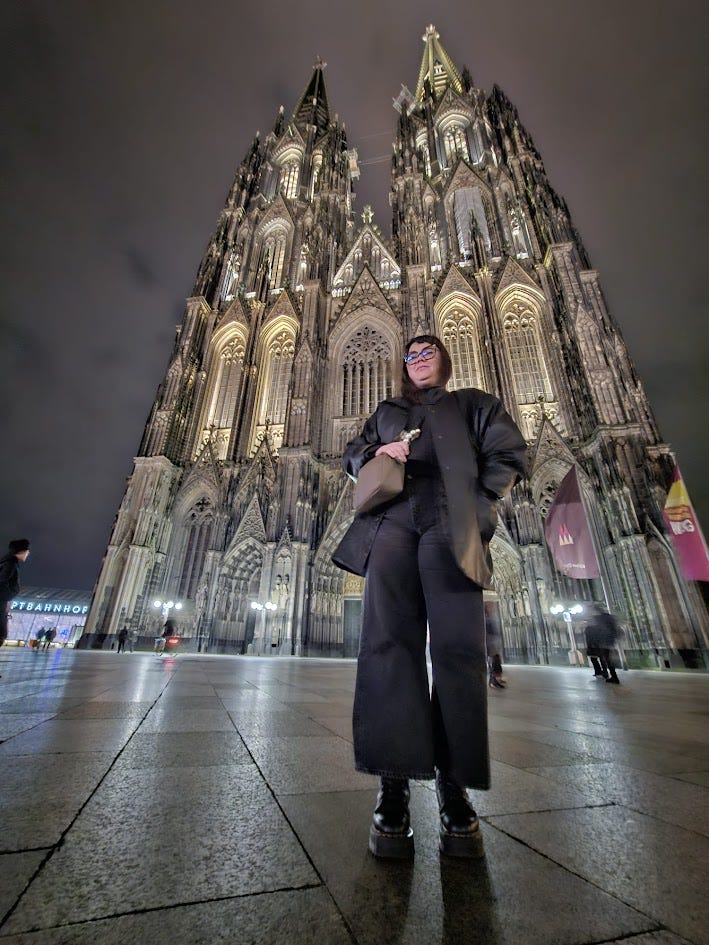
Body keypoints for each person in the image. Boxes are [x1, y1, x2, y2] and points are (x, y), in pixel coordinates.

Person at [333, 334, 527, 859]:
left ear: (444, 359)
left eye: (428, 352)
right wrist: (378, 450)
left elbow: (510, 453)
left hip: (450, 523)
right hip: (392, 522)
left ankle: (453, 788)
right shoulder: (388, 411)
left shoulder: (474, 404)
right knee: (387, 646)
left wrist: (480, 502)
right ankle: (392, 785)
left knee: (459, 652)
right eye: (411, 355)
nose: (419, 360)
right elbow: (353, 456)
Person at [0, 539, 30, 649]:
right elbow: (2, 582)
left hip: (3, 601)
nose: (28, 553)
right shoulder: (11, 563)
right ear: (21, 551)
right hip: (2, 602)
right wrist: (8, 596)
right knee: (1, 634)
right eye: (27, 551)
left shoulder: (7, 561)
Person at [585, 603, 621, 684]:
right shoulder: (608, 617)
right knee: (606, 658)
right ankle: (611, 675)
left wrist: (593, 642)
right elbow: (614, 628)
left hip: (601, 641)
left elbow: (593, 631)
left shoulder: (597, 619)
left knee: (605, 659)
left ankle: (611, 675)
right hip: (609, 641)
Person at [484, 601, 506, 690]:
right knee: (493, 662)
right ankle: (494, 681)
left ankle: (495, 680)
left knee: (495, 661)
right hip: (490, 644)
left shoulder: (490, 618)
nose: (492, 608)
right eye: (490, 606)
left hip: (493, 643)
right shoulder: (486, 619)